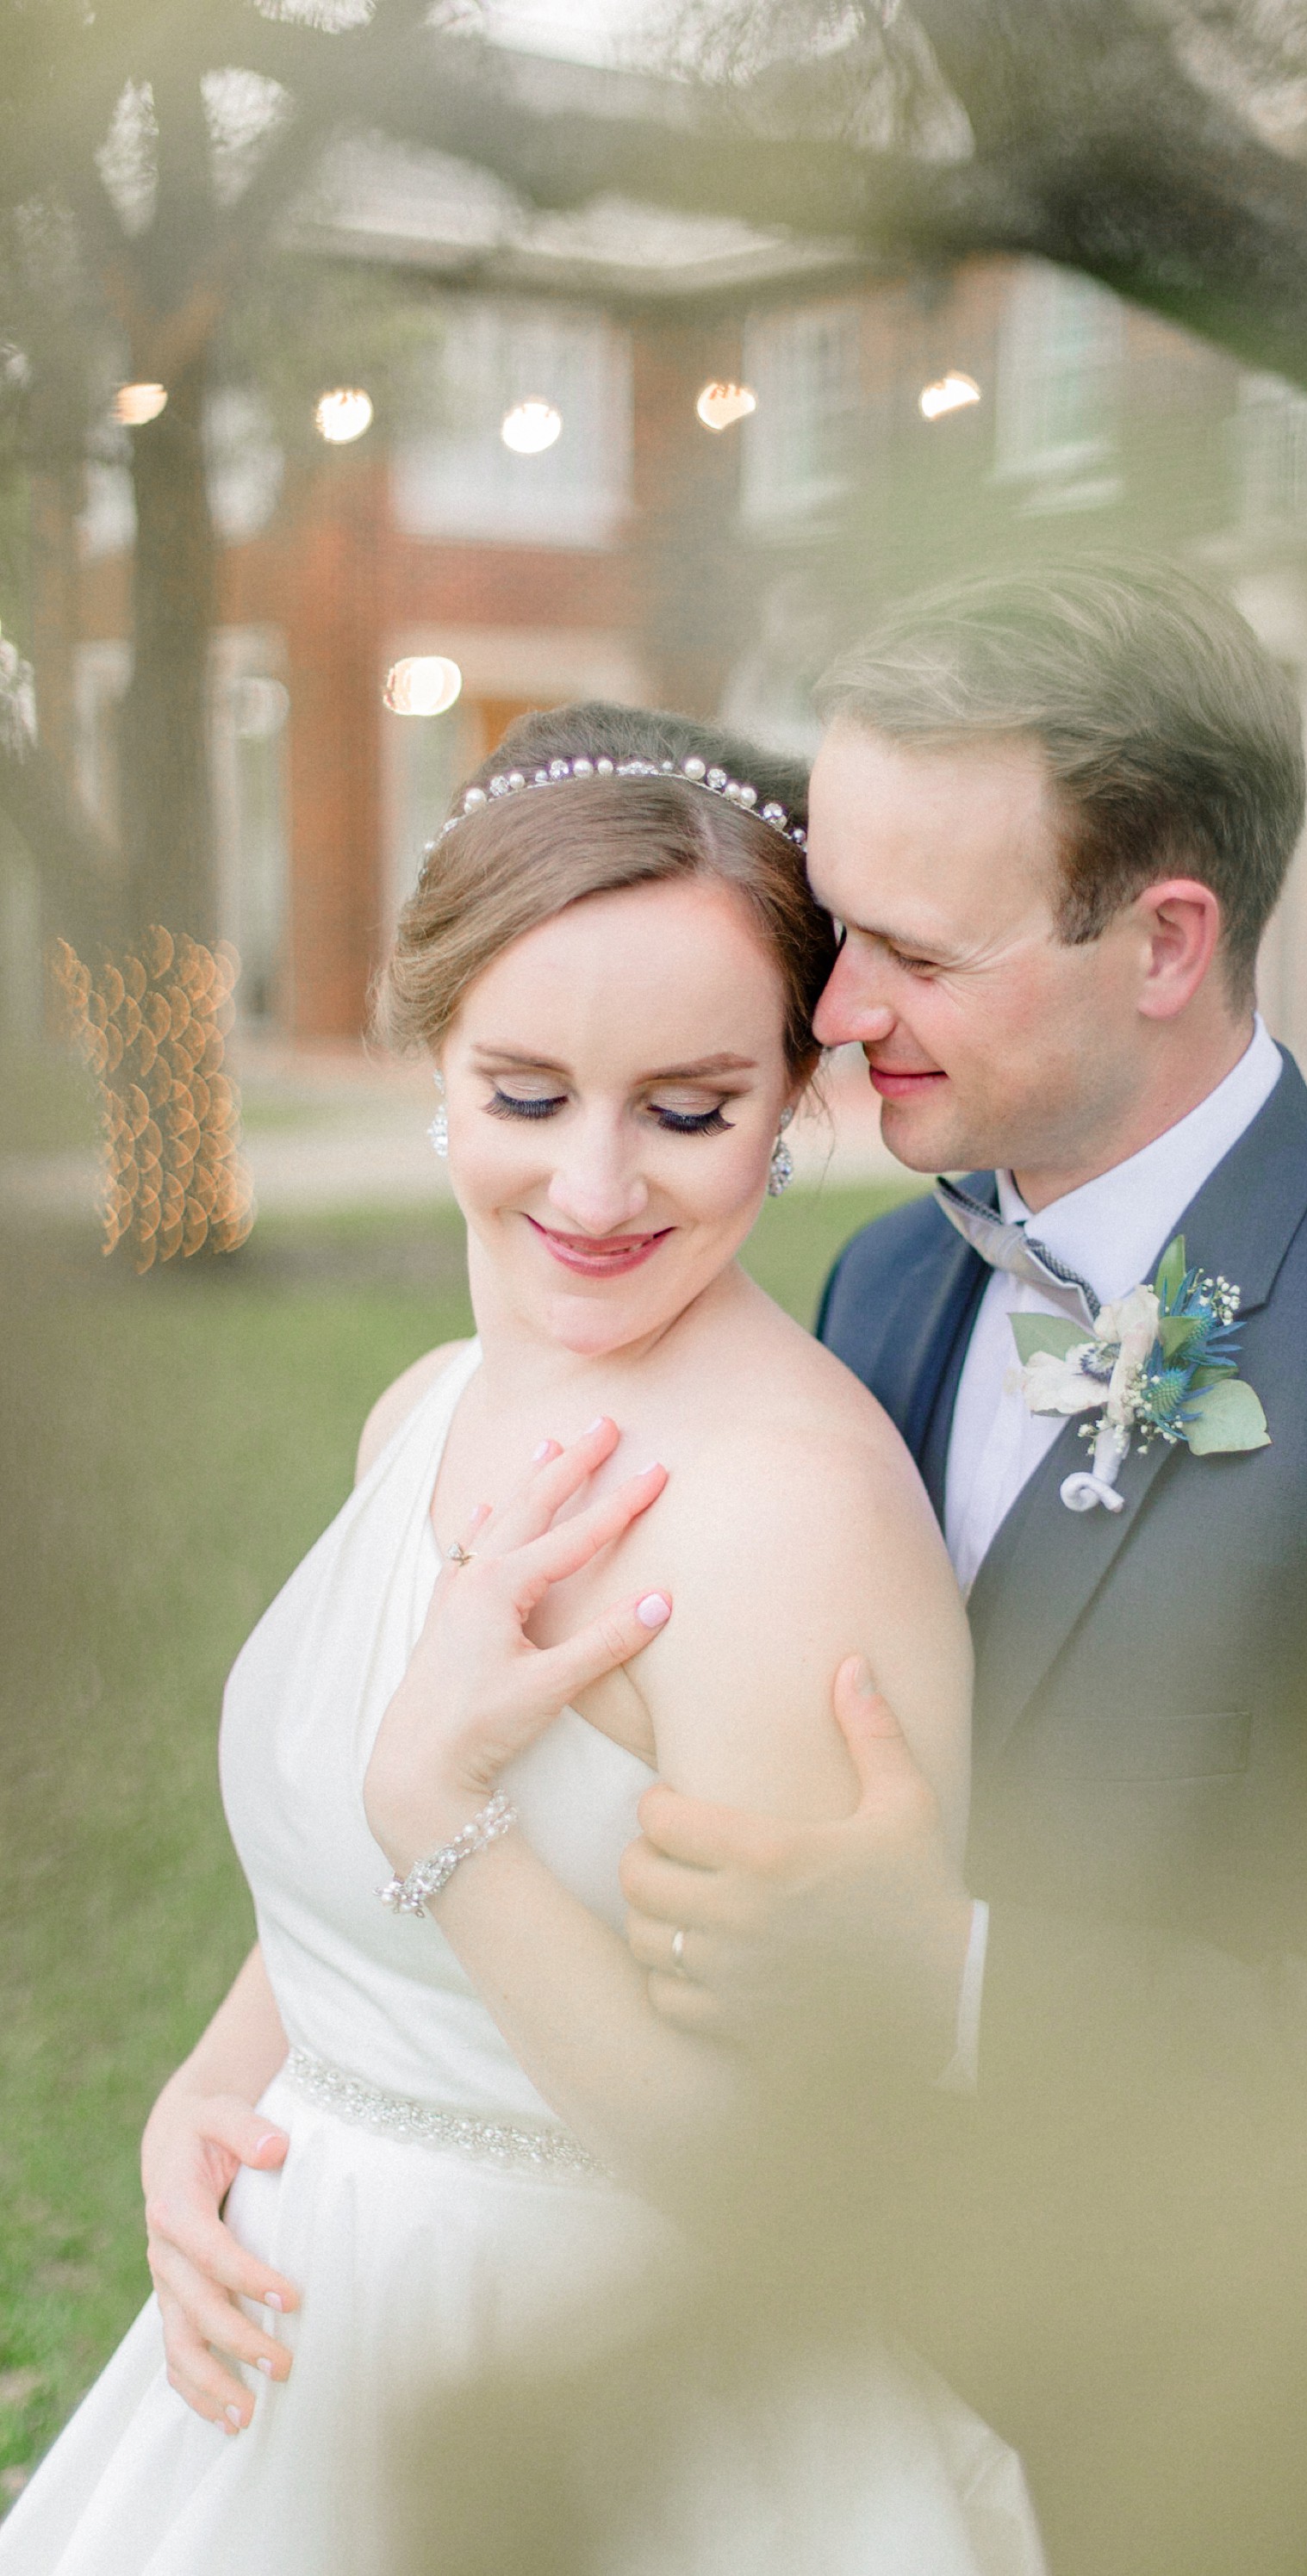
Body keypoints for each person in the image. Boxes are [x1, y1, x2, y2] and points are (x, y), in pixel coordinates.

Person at [608, 566, 1307, 2572]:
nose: (837, 1014)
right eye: (837, 927)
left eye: (916, 951)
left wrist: (952, 1969)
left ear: (1166, 940)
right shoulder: (888, 1271)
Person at [0, 705, 1044, 2576]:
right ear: (434, 1055)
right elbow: (336, 1885)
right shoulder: (419, 1407)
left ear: (791, 1095)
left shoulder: (785, 1516)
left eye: (688, 1108)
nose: (591, 1189)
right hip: (293, 2352)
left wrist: (447, 1822)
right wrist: (214, 2086)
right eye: (529, 1092)